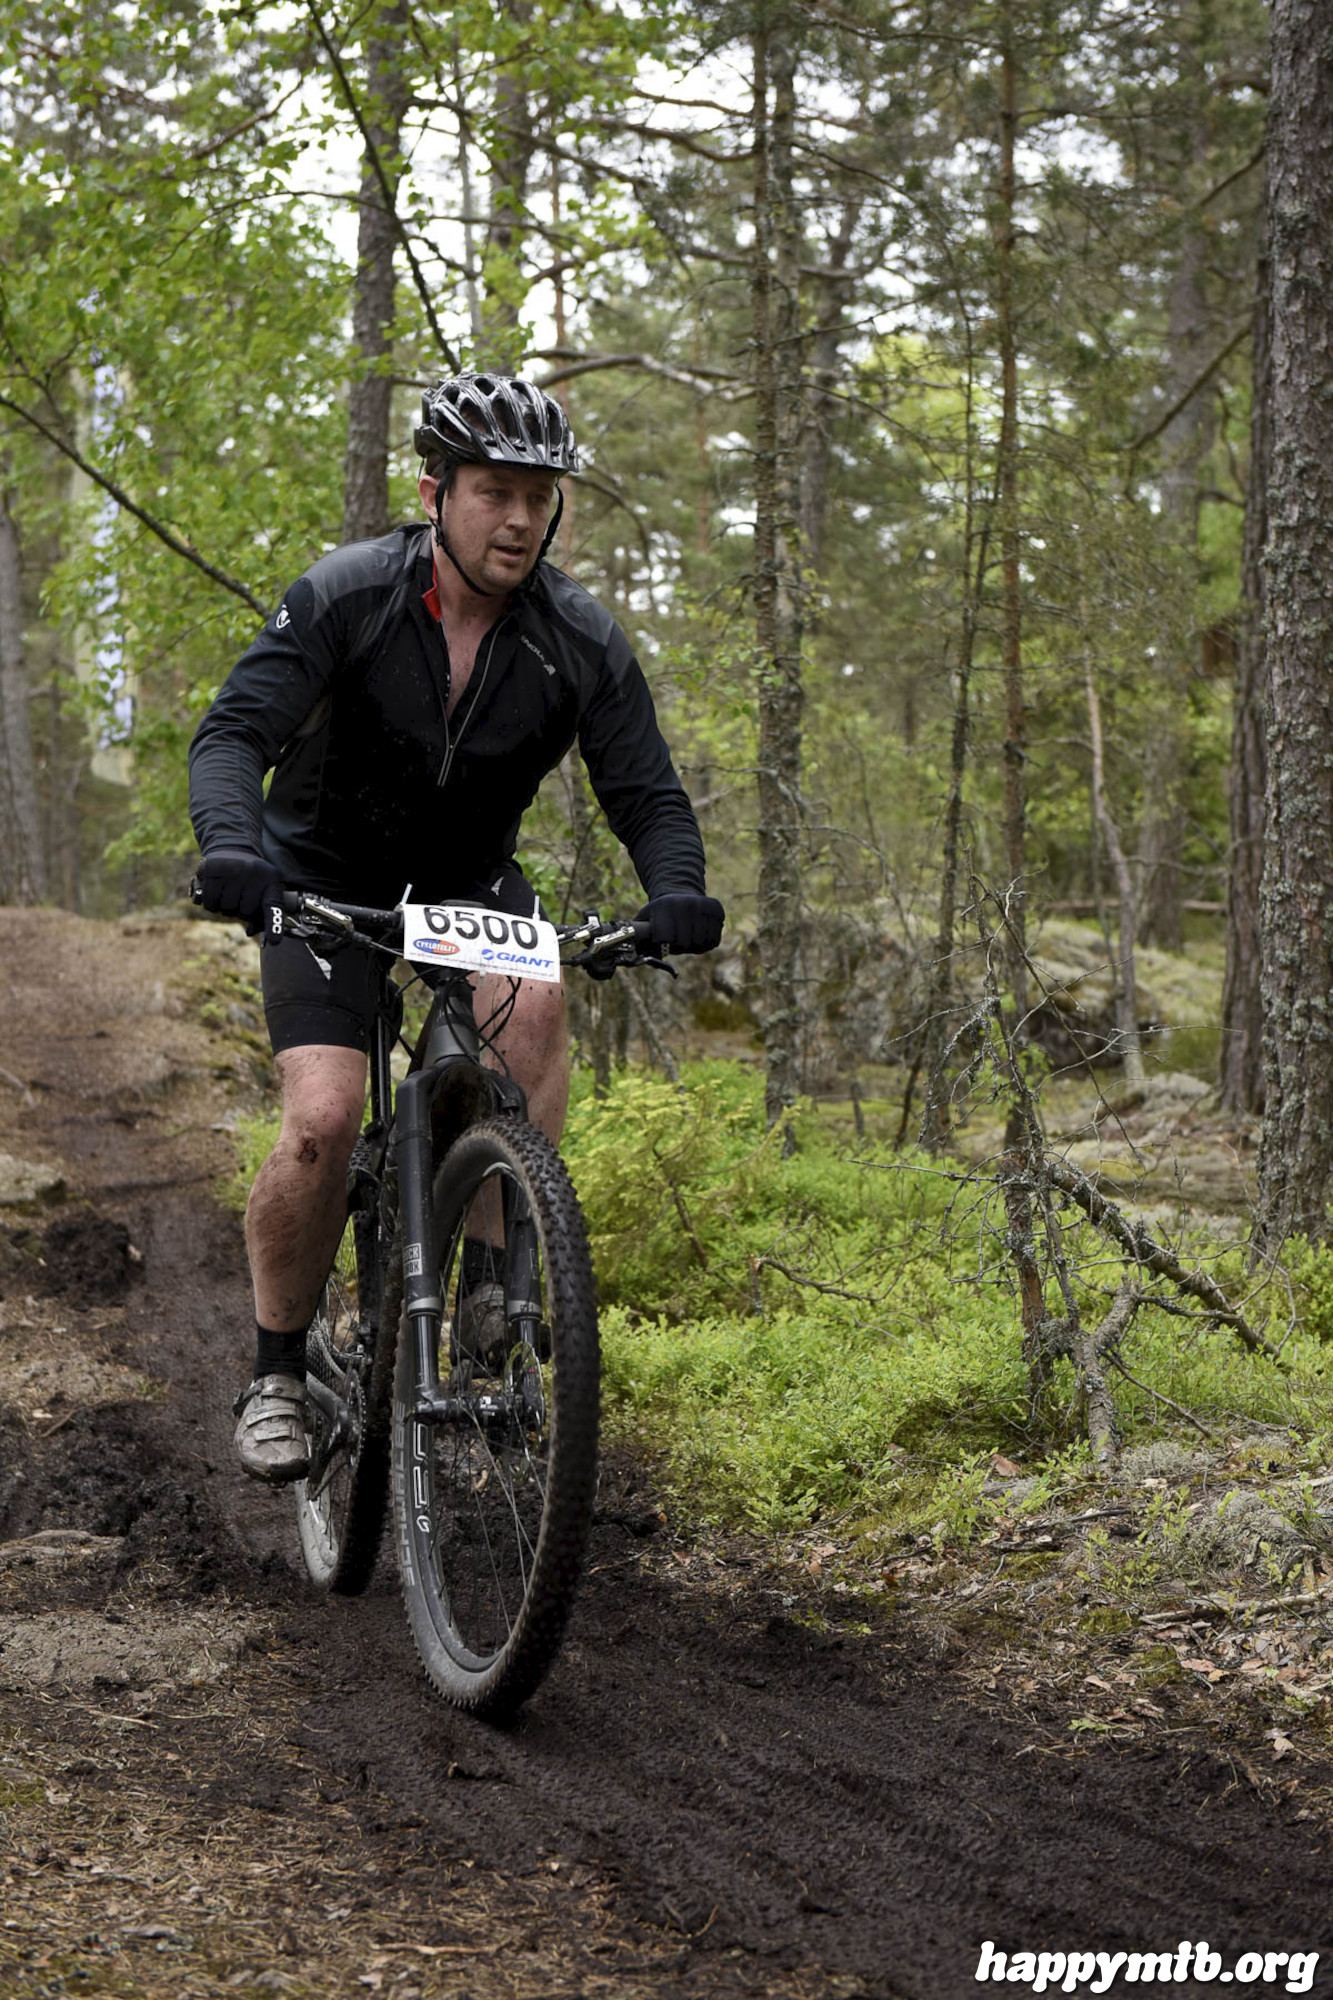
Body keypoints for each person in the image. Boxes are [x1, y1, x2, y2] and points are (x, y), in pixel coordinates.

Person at [189, 372, 723, 1483]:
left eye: (538, 496)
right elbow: (234, 734)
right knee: (323, 1117)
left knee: (534, 1006)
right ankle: (278, 1370)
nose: (519, 519)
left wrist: (675, 887)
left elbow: (647, 792)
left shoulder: (577, 637)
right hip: (321, 880)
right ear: (437, 494)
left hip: (466, 889)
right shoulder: (348, 595)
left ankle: (488, 1288)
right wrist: (235, 851)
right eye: (494, 493)